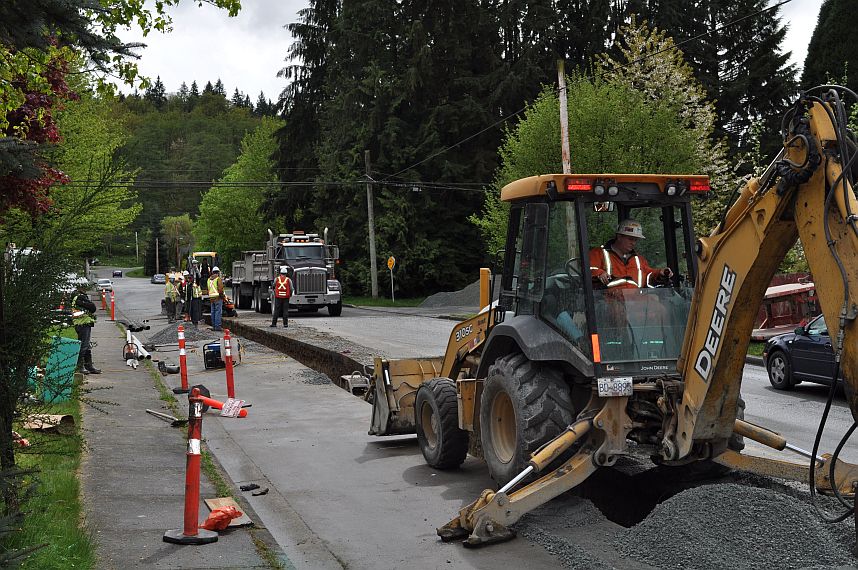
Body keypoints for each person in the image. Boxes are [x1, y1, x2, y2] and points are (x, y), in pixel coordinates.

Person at [588, 219, 672, 289]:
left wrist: (660, 273)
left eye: (636, 240)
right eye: (630, 239)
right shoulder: (598, 254)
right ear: (619, 236)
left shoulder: (639, 260)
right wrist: (599, 273)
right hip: (608, 300)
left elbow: (648, 276)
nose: (633, 243)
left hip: (637, 300)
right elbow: (587, 269)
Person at [71, 284, 101, 374]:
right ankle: (80, 366)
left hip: (81, 323)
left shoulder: (76, 296)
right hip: (83, 323)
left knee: (86, 345)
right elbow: (93, 308)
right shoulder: (80, 297)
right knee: (83, 346)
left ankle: (88, 366)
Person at [208, 266, 226, 331]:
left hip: (211, 298)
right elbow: (220, 289)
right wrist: (223, 297)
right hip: (218, 298)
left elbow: (208, 289)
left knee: (213, 312)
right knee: (218, 312)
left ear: (212, 272)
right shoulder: (218, 279)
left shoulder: (209, 280)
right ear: (218, 272)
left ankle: (214, 326)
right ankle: (217, 327)